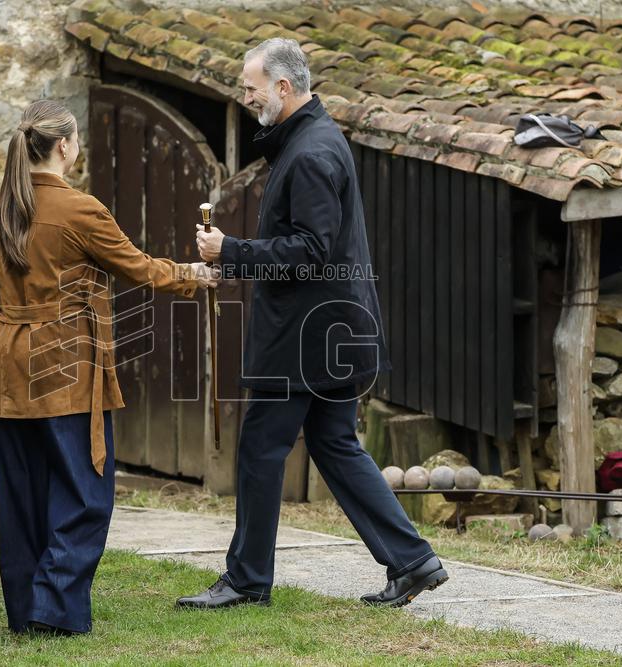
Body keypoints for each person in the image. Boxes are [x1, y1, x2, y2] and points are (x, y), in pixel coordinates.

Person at [184, 38, 448, 610]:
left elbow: (312, 250)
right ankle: (412, 560)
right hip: (327, 334)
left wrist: (231, 250)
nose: (247, 97)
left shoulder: (309, 153)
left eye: (252, 88)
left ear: (284, 87)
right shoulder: (310, 140)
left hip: (305, 340)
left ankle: (248, 580)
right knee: (333, 443)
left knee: (259, 448)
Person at [0, 99, 216, 635]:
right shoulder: (78, 209)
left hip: (8, 366)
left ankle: (27, 611)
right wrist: (194, 275)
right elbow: (139, 269)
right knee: (85, 493)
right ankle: (52, 609)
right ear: (65, 146)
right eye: (77, 140)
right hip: (64, 366)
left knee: (23, 495)